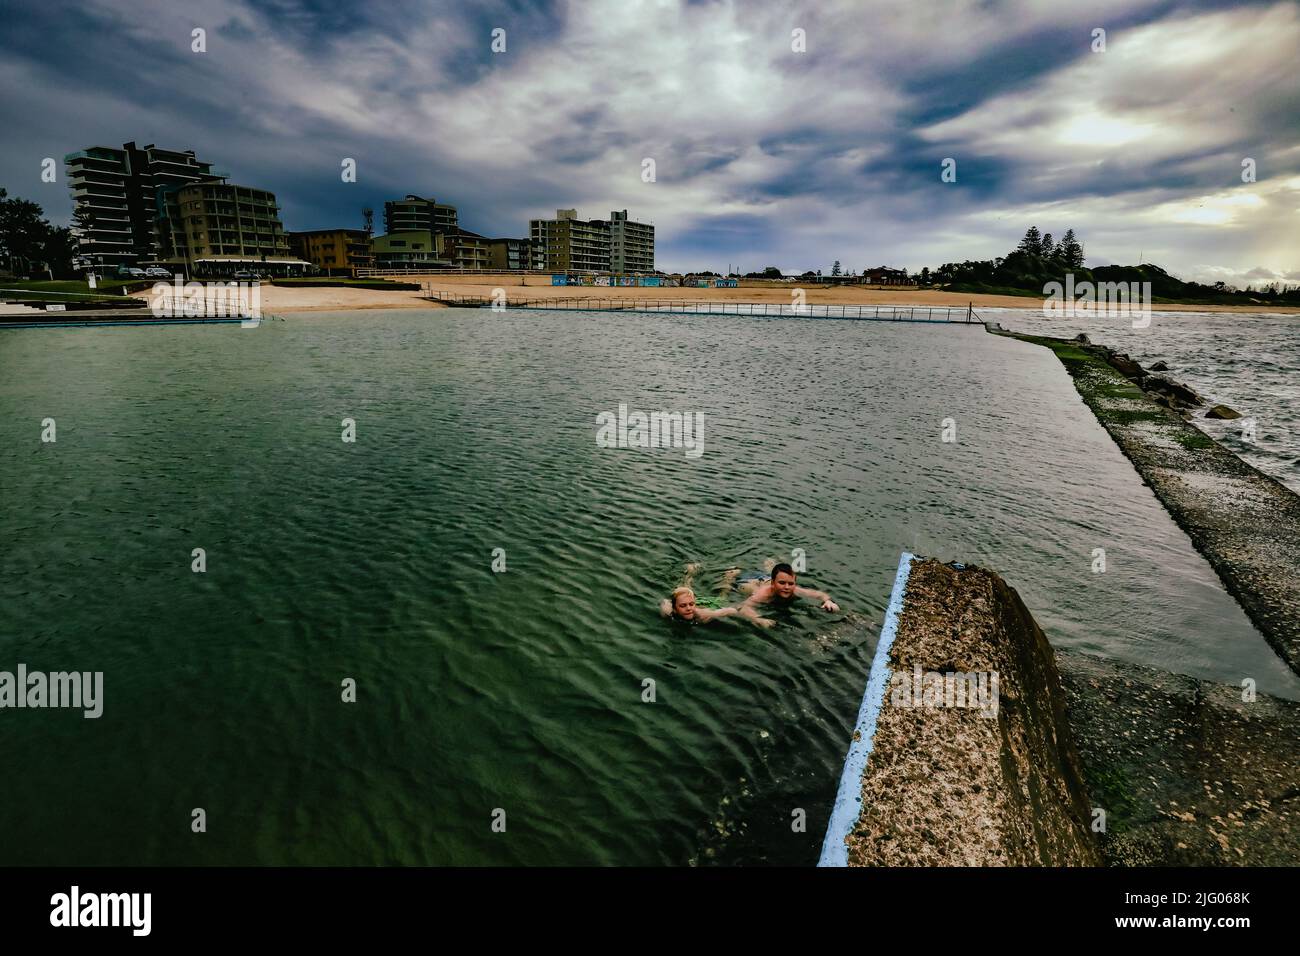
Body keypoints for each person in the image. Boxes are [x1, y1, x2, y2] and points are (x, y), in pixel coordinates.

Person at [661, 564, 774, 627]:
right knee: (682, 589)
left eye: (691, 604)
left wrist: (758, 620)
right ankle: (689, 574)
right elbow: (666, 603)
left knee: (722, 597)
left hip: (706, 606)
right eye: (683, 606)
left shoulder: (701, 615)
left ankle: (729, 577)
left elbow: (731, 610)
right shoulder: (668, 611)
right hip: (685, 602)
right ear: (675, 609)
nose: (688, 608)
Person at [739, 562, 840, 617]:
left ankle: (771, 565)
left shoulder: (795, 589)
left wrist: (828, 601)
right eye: (783, 583)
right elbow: (743, 607)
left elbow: (820, 595)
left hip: (769, 579)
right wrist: (759, 619)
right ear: (773, 583)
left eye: (791, 584)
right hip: (749, 580)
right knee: (741, 583)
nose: (787, 587)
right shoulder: (763, 595)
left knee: (776, 574)